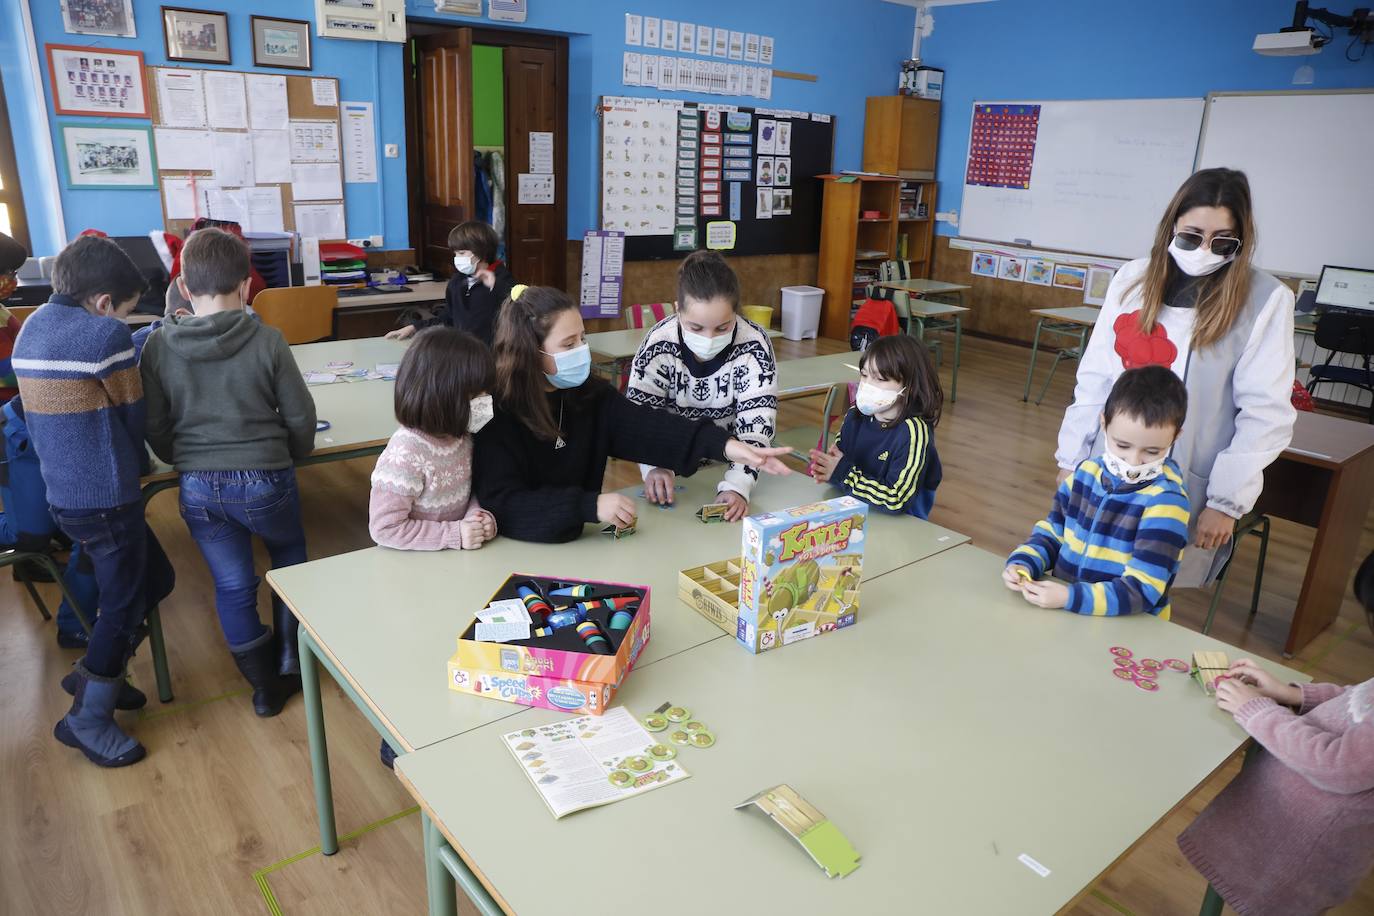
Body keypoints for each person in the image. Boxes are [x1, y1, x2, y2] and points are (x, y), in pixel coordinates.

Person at [1055, 168, 1295, 588]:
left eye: (1221, 241)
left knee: (1148, 582)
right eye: (1191, 236)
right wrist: (1070, 461)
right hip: (1108, 462)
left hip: (1184, 475)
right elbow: (1095, 378)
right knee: (1086, 562)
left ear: (1241, 240)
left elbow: (1265, 414)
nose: (1203, 250)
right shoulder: (1133, 278)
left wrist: (1226, 502)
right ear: (1171, 227)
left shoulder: (1265, 299)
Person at [14, 234, 175, 767]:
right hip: (106, 496)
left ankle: (95, 673)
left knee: (157, 577)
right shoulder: (105, 334)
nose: (125, 320)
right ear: (105, 303)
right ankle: (87, 716)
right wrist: (147, 465)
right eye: (126, 311)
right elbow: (132, 413)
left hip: (66, 495)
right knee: (123, 603)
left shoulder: (33, 324)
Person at [141, 229, 316, 718]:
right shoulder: (267, 339)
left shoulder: (158, 345)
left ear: (183, 286)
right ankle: (291, 660)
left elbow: (155, 425)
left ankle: (263, 687)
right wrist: (293, 452)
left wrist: (182, 457)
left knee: (234, 585)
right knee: (289, 557)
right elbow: (300, 416)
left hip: (198, 485)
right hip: (266, 478)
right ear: (246, 284)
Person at [474, 284, 792, 543]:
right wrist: (589, 506)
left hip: (576, 546)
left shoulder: (590, 396)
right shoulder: (495, 411)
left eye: (583, 338)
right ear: (530, 352)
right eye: (569, 344)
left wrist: (726, 445)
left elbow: (650, 428)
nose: (582, 350)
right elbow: (503, 503)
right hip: (511, 552)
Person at [1177, 552, 1374, 915]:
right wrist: (1290, 694)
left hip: (1303, 853)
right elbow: (1358, 699)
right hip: (1278, 824)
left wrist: (1255, 709)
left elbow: (1337, 766)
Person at [1005, 366, 1191, 618]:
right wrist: (1024, 562)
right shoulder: (1085, 474)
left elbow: (1143, 589)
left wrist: (1070, 597)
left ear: (1175, 437)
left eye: (1152, 451)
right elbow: (1054, 533)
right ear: (1104, 423)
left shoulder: (1167, 503)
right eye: (1122, 445)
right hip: (1070, 612)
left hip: (1126, 625)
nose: (1134, 461)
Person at [626, 250, 779, 521]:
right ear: (677, 309)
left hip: (731, 462)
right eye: (696, 328)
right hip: (672, 462)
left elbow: (756, 428)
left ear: (736, 313)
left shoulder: (753, 345)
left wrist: (737, 487)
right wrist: (654, 466)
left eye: (722, 328)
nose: (709, 338)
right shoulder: (658, 343)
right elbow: (640, 418)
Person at [369, 327, 498, 550]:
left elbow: (468, 493)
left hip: (454, 558)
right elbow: (385, 529)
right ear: (443, 394)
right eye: (477, 394)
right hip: (414, 563)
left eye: (486, 392)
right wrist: (453, 534)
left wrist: (477, 516)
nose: (486, 401)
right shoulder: (406, 453)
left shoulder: (462, 436)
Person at [808, 335, 943, 518]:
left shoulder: (913, 432)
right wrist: (828, 469)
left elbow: (896, 500)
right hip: (856, 503)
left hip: (901, 518)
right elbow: (841, 462)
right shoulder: (854, 415)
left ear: (909, 387)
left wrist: (842, 473)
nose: (867, 385)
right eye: (864, 375)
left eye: (879, 378)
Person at [385, 221, 514, 347]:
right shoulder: (457, 281)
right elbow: (448, 318)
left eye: (462, 253)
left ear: (481, 252)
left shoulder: (503, 283)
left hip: (490, 355)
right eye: (455, 253)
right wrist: (415, 327)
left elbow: (514, 324)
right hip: (461, 352)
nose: (457, 258)